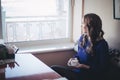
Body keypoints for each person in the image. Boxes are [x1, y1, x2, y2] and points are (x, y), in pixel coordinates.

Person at [51, 13, 109, 80]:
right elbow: (78, 55)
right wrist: (73, 59)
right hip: (77, 73)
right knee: (53, 68)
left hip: (89, 76)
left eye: (83, 23)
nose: (81, 25)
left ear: (90, 26)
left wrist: (83, 66)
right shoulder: (83, 38)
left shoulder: (102, 44)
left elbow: (103, 69)